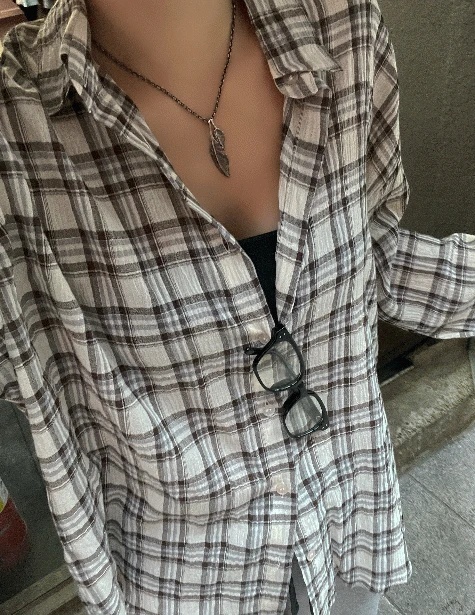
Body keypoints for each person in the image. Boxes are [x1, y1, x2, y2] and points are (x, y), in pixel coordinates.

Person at [0, 0, 473, 613]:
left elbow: (369, 262)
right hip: (190, 584)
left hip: (347, 521)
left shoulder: (344, 30)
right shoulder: (20, 133)